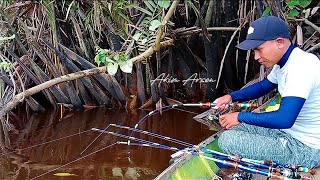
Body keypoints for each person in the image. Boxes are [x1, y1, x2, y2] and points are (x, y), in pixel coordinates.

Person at [214, 16, 320, 168]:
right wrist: (231, 97)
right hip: (288, 133)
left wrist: (240, 115)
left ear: (279, 42)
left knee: (227, 141)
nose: (256, 56)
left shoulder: (301, 68)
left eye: (259, 49)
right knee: (233, 128)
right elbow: (263, 87)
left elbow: (284, 119)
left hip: (306, 148)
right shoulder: (286, 61)